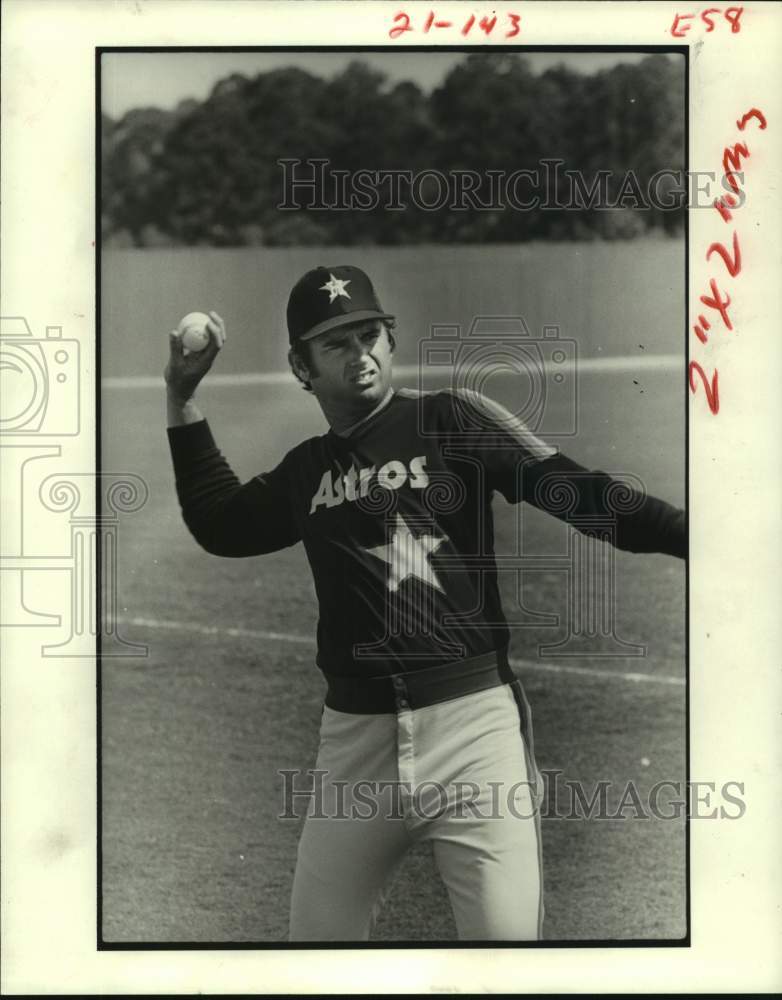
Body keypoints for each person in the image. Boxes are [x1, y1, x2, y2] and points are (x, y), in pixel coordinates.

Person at [165, 264, 685, 942]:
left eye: (369, 334)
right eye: (336, 344)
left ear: (391, 337)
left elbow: (583, 497)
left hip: (473, 733)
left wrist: (698, 536)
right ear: (301, 366)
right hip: (354, 748)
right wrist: (181, 393)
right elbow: (221, 524)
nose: (360, 354)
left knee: (506, 959)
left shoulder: (449, 420)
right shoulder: (305, 472)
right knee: (313, 960)